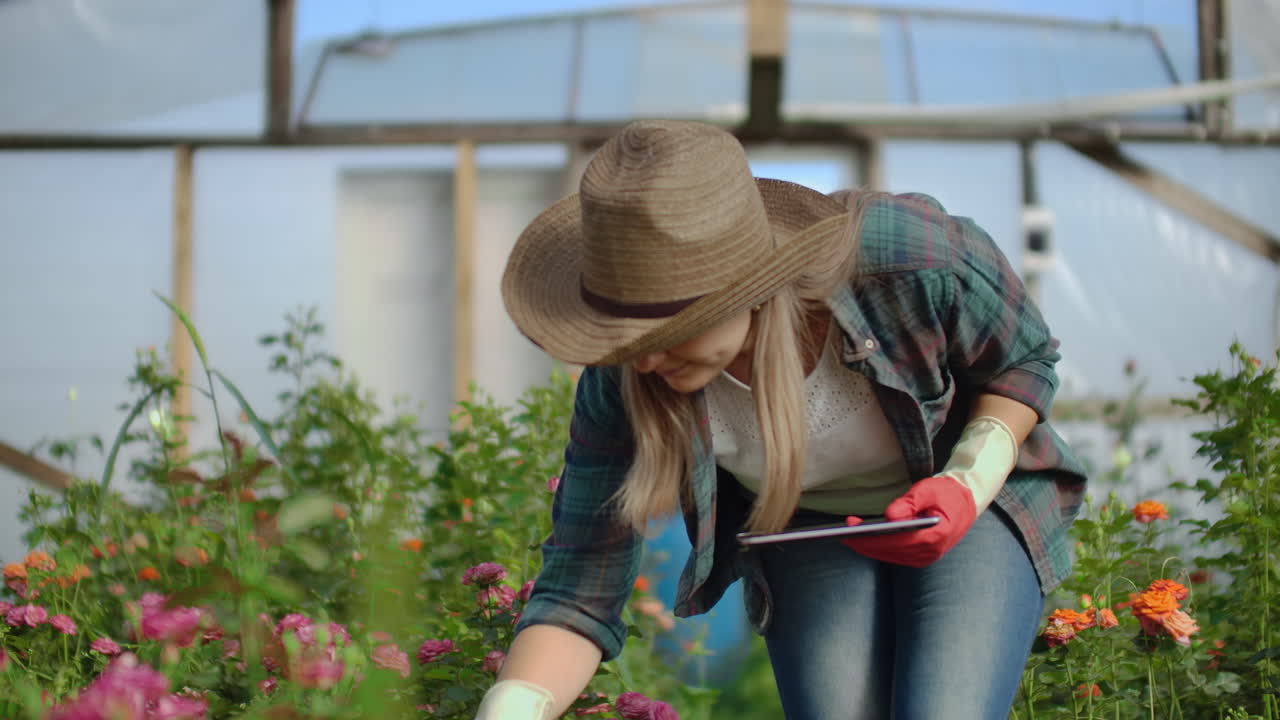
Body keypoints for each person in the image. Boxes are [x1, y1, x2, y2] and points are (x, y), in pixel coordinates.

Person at [479, 119, 1088, 720]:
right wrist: (511, 706)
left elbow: (1022, 360)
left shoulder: (901, 261)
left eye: (669, 333)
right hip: (808, 523)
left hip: (967, 502)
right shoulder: (624, 379)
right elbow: (580, 586)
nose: (642, 359)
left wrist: (967, 481)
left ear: (750, 288)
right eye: (624, 336)